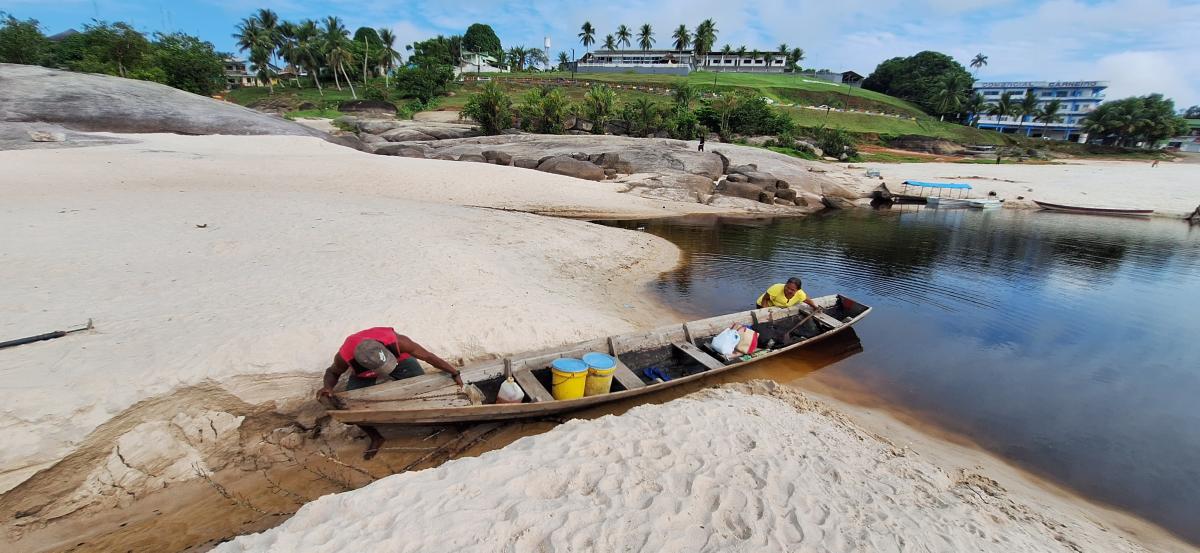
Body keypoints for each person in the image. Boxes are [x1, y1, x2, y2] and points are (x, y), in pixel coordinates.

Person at [317, 327, 463, 459]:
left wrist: (454, 372)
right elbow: (332, 372)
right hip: (363, 374)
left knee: (422, 386)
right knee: (350, 406)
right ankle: (376, 437)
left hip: (400, 362)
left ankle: (436, 419)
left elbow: (428, 356)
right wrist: (328, 387)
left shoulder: (397, 341)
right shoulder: (345, 356)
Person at [756, 277, 821, 311]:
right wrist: (765, 311)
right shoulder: (776, 288)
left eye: (792, 290)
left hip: (779, 306)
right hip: (763, 304)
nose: (788, 290)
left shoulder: (800, 294)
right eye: (787, 287)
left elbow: (807, 300)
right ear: (785, 284)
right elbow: (765, 299)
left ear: (797, 290)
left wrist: (815, 307)